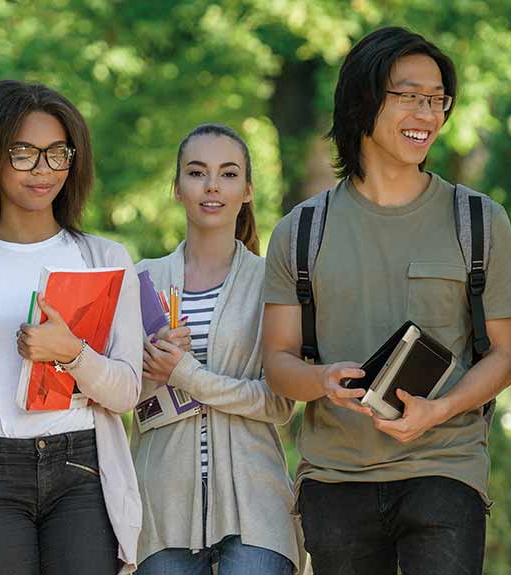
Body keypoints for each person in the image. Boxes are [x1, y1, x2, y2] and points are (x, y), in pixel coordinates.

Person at [259, 26, 511, 575]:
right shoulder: (300, 231)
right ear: (363, 101)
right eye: (408, 96)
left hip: (446, 468)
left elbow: (505, 354)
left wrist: (441, 409)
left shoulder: (479, 221)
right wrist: (321, 380)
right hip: (335, 479)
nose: (427, 114)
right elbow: (278, 361)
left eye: (437, 100)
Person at [0, 79, 145, 575]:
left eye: (58, 153)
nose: (44, 170)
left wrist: (72, 352)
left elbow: (126, 392)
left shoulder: (104, 259)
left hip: (82, 469)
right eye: (24, 154)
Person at [131, 123, 299, 575]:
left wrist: (187, 373)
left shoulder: (272, 283)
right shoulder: (140, 279)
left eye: (227, 174)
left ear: (247, 190)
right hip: (161, 511)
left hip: (256, 510)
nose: (211, 186)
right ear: (177, 188)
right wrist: (149, 368)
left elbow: (280, 402)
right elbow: (120, 399)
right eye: (196, 172)